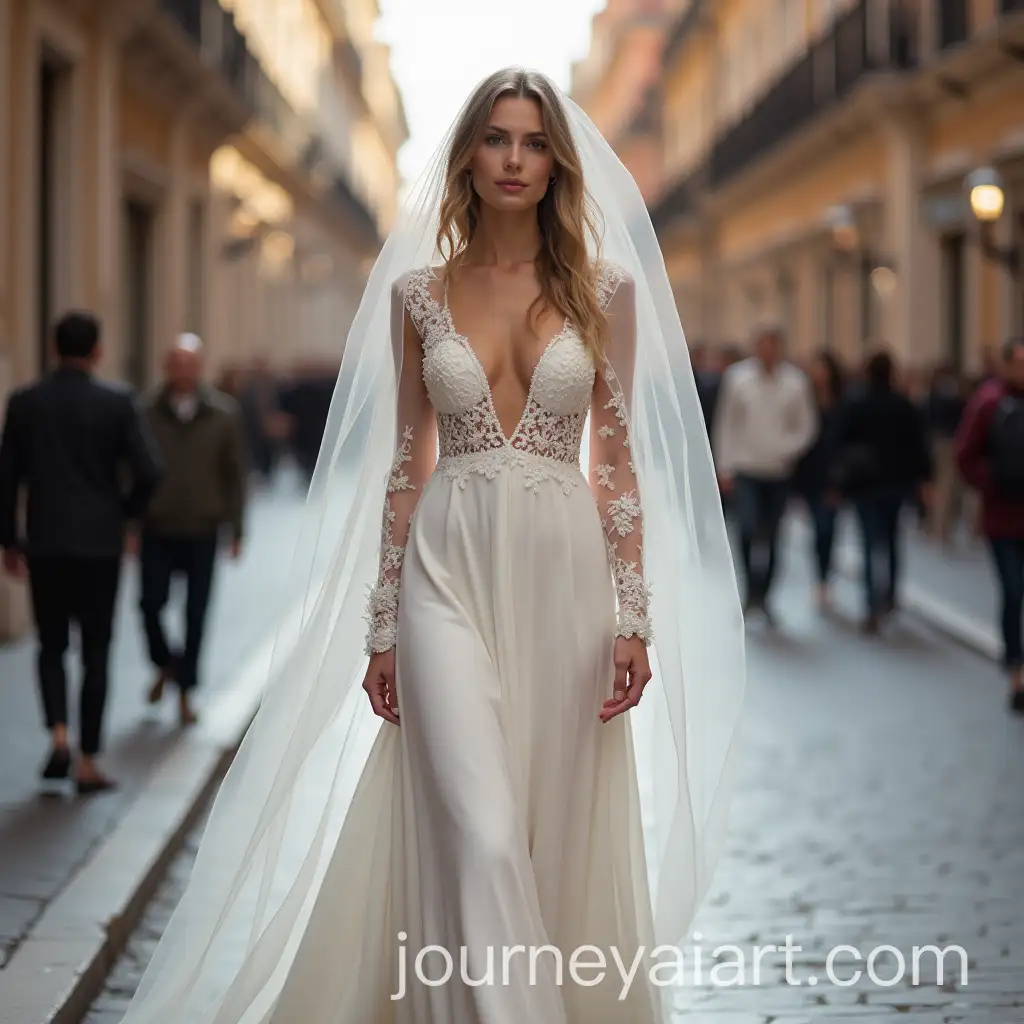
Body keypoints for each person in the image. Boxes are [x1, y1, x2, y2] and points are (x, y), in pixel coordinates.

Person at [118, 68, 745, 1023]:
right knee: (483, 829)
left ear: (557, 165)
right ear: (468, 155)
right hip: (444, 573)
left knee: (546, 825)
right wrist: (382, 623)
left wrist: (632, 615)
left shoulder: (604, 294)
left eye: (535, 143)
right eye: (498, 138)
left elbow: (615, 464)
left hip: (563, 576)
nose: (516, 159)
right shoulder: (420, 294)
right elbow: (406, 465)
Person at [0, 312, 162, 792]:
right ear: (97, 351)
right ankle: (88, 759)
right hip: (99, 545)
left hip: (46, 541)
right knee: (96, 649)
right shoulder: (117, 402)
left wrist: (9, 540)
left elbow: (7, 477)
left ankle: (59, 736)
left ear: (54, 348)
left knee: (51, 646)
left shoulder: (26, 402)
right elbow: (151, 470)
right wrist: (124, 515)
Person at [134, 334, 247, 727]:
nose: (182, 371)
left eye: (189, 364)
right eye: (175, 363)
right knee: (149, 604)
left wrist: (237, 530)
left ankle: (185, 692)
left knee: (196, 613)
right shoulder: (144, 411)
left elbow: (235, 474)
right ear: (166, 368)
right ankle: (166, 663)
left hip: (202, 528)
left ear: (200, 368)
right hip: (156, 527)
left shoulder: (223, 413)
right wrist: (129, 523)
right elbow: (127, 472)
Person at [713, 325, 817, 622]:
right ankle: (750, 590)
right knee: (746, 529)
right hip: (746, 468)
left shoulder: (796, 382)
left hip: (779, 471)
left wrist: (786, 449)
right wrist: (725, 466)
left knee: (772, 535)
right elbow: (726, 424)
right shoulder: (737, 378)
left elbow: (807, 426)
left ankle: (764, 595)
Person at [830, 350, 933, 633]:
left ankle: (871, 601)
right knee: (890, 539)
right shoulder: (903, 404)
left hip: (865, 484)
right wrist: (925, 479)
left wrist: (837, 483)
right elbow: (919, 445)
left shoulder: (856, 403)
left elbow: (839, 443)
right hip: (895, 483)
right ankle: (889, 597)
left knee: (868, 543)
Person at [955, 337, 1024, 713]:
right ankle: (1016, 668)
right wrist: (991, 482)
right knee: (1013, 592)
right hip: (1002, 519)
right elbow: (964, 454)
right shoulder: (989, 402)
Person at [792, 350, 845, 609]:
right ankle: (820, 578)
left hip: (834, 476)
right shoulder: (804, 399)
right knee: (819, 528)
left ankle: (825, 576)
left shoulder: (842, 402)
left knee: (829, 529)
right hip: (811, 477)